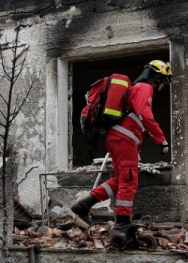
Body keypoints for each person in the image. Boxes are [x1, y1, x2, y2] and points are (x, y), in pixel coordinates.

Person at [70, 60, 172, 245]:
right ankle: (121, 227)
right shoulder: (144, 88)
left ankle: (84, 204)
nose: (163, 87)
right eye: (164, 82)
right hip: (125, 140)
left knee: (120, 180)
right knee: (130, 179)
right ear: (157, 78)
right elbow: (146, 114)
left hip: (117, 138)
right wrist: (161, 139)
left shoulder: (135, 89)